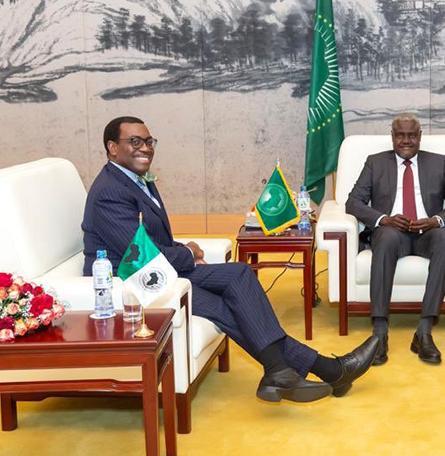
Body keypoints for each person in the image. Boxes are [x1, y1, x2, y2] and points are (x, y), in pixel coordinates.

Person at [83, 116, 378, 403]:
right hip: (133, 281)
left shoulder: (135, 180)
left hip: (158, 271)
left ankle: (287, 371)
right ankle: (318, 370)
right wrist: (187, 254)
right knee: (233, 290)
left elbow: (150, 238)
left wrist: (186, 251)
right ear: (112, 147)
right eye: (134, 141)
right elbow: (138, 253)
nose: (145, 148)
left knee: (237, 283)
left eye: (149, 141)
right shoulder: (109, 191)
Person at [346, 113, 445, 365]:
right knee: (388, 237)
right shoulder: (375, 163)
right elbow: (353, 202)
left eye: (411, 135)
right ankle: (379, 333)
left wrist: (436, 220)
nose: (406, 141)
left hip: (428, 233)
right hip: (392, 233)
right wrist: (384, 219)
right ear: (392, 136)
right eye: (400, 135)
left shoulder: (439, 162)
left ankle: (424, 331)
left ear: (419, 137)